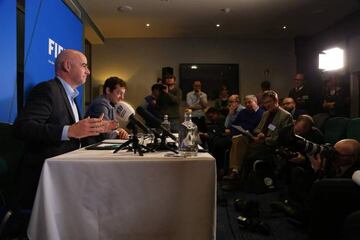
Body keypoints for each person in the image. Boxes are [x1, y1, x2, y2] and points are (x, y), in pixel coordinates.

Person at [13, 49, 116, 208]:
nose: (88, 71)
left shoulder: (72, 98)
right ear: (67, 66)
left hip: (69, 172)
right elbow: (22, 128)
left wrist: (95, 129)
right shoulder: (48, 90)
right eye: (84, 66)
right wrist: (68, 131)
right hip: (45, 178)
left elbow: (75, 136)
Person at [223, 90, 293, 188]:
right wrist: (259, 133)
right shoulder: (266, 114)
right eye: (265, 102)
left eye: (269, 102)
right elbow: (258, 128)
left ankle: (235, 176)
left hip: (270, 144)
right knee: (238, 140)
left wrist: (264, 139)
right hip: (258, 140)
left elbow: (282, 137)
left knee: (240, 148)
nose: (267, 105)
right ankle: (235, 173)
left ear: (276, 100)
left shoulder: (285, 116)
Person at [85, 76, 129, 144]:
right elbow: (106, 135)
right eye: (119, 93)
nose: (122, 98)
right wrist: (118, 132)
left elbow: (112, 129)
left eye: (123, 94)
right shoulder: (100, 104)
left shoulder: (111, 104)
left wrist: (119, 131)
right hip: (93, 150)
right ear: (108, 90)